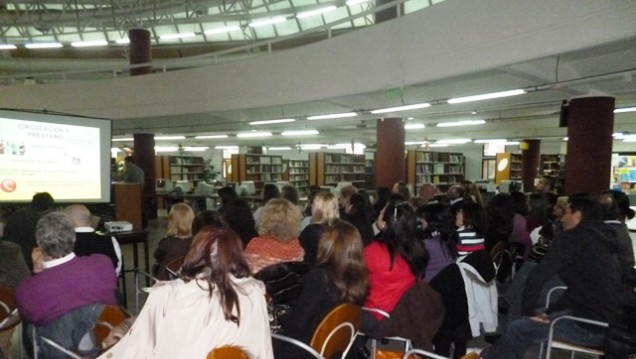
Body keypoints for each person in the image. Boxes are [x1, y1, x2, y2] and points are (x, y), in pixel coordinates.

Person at [479, 196, 626, 359]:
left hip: (587, 327)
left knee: (519, 328)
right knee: (526, 324)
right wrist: (549, 312)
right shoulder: (603, 238)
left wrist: (528, 313)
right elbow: (580, 288)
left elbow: (538, 277)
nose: (562, 218)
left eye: (566, 212)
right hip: (607, 324)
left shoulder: (573, 238)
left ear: (578, 215)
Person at [99, 226, 274, 358]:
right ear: (237, 254)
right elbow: (263, 349)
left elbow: (140, 345)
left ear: (194, 253)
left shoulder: (167, 294)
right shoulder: (255, 293)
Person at [16, 212, 118, 357]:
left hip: (60, 353)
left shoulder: (26, 289)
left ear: (39, 244)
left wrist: (36, 273)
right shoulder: (103, 263)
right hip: (106, 346)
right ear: (73, 238)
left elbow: (32, 316)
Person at [273, 219, 368, 359]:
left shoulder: (320, 276)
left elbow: (298, 323)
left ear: (326, 245)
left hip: (306, 349)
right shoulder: (358, 278)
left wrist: (279, 318)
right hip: (332, 348)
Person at [362, 201, 428, 333]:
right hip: (406, 315)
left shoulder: (374, 251)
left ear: (385, 223)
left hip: (378, 317)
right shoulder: (418, 251)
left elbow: (354, 279)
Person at [245, 198, 304, 273]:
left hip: (261, 284)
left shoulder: (255, 244)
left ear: (265, 218)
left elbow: (247, 273)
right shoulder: (296, 245)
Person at [64, 204, 122, 275]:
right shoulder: (111, 241)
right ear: (89, 219)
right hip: (106, 284)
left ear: (67, 222)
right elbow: (116, 271)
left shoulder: (61, 243)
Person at [3, 192, 54, 270]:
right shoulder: (41, 219)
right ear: (47, 206)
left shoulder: (18, 214)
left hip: (12, 255)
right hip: (30, 256)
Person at [153, 203, 195, 280]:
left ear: (172, 221)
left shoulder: (167, 243)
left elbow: (156, 255)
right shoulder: (197, 242)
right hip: (190, 283)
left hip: (167, 284)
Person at [417, 203, 457, 281]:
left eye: (423, 218)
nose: (420, 220)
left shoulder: (427, 245)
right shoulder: (448, 239)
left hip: (430, 287)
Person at [298, 192, 340, 265]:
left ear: (319, 209)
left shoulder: (311, 230)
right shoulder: (340, 227)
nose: (311, 206)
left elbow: (299, 249)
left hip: (313, 269)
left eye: (313, 203)